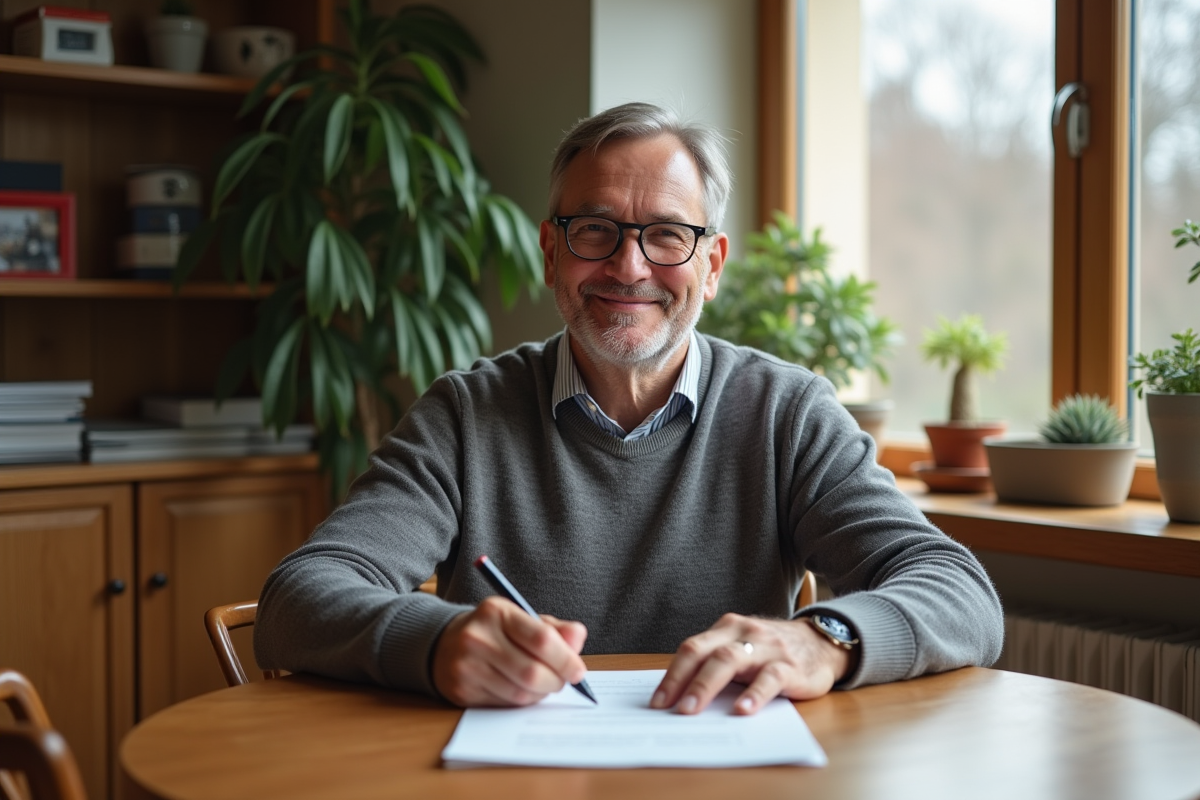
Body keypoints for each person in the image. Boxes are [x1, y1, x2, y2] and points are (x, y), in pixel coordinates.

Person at [254, 101, 1003, 716]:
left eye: (667, 235)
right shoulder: (464, 415)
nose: (629, 266)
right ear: (551, 252)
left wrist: (826, 638)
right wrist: (435, 643)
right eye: (595, 231)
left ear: (711, 265)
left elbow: (958, 590)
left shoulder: (786, 412)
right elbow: (298, 599)